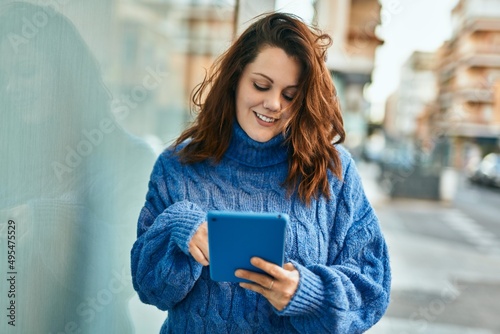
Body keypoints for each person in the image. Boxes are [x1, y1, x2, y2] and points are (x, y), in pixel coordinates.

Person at [131, 12, 391, 333]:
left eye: (289, 95)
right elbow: (149, 289)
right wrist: (180, 227)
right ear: (236, 79)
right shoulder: (178, 166)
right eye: (261, 85)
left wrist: (304, 293)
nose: (273, 104)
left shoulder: (333, 170)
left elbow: (372, 289)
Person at [0, 2, 155, 333]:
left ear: (66, 74)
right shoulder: (12, 153)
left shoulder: (130, 158)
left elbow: (132, 271)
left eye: (26, 72)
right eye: (4, 76)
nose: (12, 88)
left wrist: (47, 220)